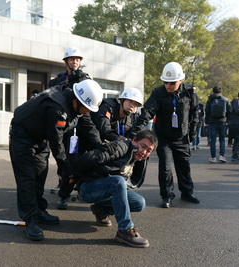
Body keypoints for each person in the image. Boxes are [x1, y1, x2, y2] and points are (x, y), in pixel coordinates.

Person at [9, 80, 104, 241]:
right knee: (27, 178)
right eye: (87, 107)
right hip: (22, 136)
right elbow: (57, 144)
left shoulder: (78, 104)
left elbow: (88, 126)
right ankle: (30, 219)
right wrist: (69, 170)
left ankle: (39, 210)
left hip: (40, 136)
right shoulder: (57, 108)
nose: (88, 111)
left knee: (40, 174)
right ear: (78, 101)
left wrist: (102, 146)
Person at [67, 130, 157, 248]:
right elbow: (89, 158)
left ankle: (101, 210)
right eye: (143, 146)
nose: (144, 152)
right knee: (118, 182)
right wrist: (72, 179)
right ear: (134, 140)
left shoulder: (140, 160)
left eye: (148, 151)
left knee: (139, 203)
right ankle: (125, 230)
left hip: (108, 189)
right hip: (88, 188)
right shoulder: (120, 147)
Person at [133, 62, 200, 208]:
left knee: (184, 166)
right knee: (165, 167)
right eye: (165, 82)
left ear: (180, 80)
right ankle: (167, 195)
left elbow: (196, 112)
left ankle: (187, 192)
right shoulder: (158, 93)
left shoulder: (190, 91)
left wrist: (193, 130)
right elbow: (148, 110)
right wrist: (136, 127)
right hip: (163, 137)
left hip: (182, 137)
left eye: (172, 83)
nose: (168, 86)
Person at [48, 47, 93, 196]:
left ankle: (78, 184)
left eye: (78, 59)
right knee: (62, 153)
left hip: (80, 124)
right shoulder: (59, 79)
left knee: (78, 156)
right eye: (72, 59)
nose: (75, 62)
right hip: (64, 123)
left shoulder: (85, 78)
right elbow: (51, 91)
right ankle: (63, 182)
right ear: (66, 61)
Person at [205, 86, 231, 163]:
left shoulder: (210, 99)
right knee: (222, 140)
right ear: (221, 92)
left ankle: (213, 157)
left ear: (213, 91)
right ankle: (221, 156)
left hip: (212, 122)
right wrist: (227, 120)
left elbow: (207, 111)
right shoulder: (226, 100)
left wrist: (207, 121)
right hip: (223, 122)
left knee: (212, 140)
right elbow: (229, 111)